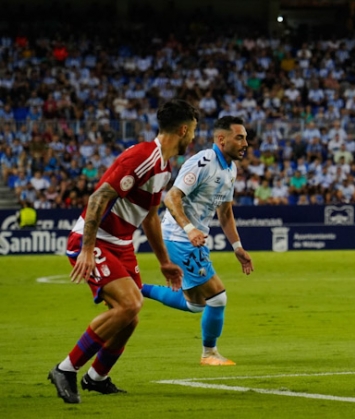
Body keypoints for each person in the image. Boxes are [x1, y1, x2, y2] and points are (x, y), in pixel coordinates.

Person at [48, 99, 199, 404]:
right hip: (95, 239)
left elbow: (150, 217)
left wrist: (165, 263)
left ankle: (97, 377)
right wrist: (87, 249)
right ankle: (65, 369)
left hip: (120, 244)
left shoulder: (163, 167)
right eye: (194, 131)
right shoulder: (143, 157)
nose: (194, 137)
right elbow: (97, 199)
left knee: (130, 317)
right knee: (129, 304)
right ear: (183, 129)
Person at [141, 116, 254, 366]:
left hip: (188, 238)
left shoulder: (230, 169)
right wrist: (190, 229)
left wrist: (238, 247)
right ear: (221, 140)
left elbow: (225, 213)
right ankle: (209, 353)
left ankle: (137, 288)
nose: (245, 142)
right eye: (240, 137)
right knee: (217, 297)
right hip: (180, 238)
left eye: (245, 137)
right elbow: (171, 198)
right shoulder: (203, 162)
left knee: (195, 304)